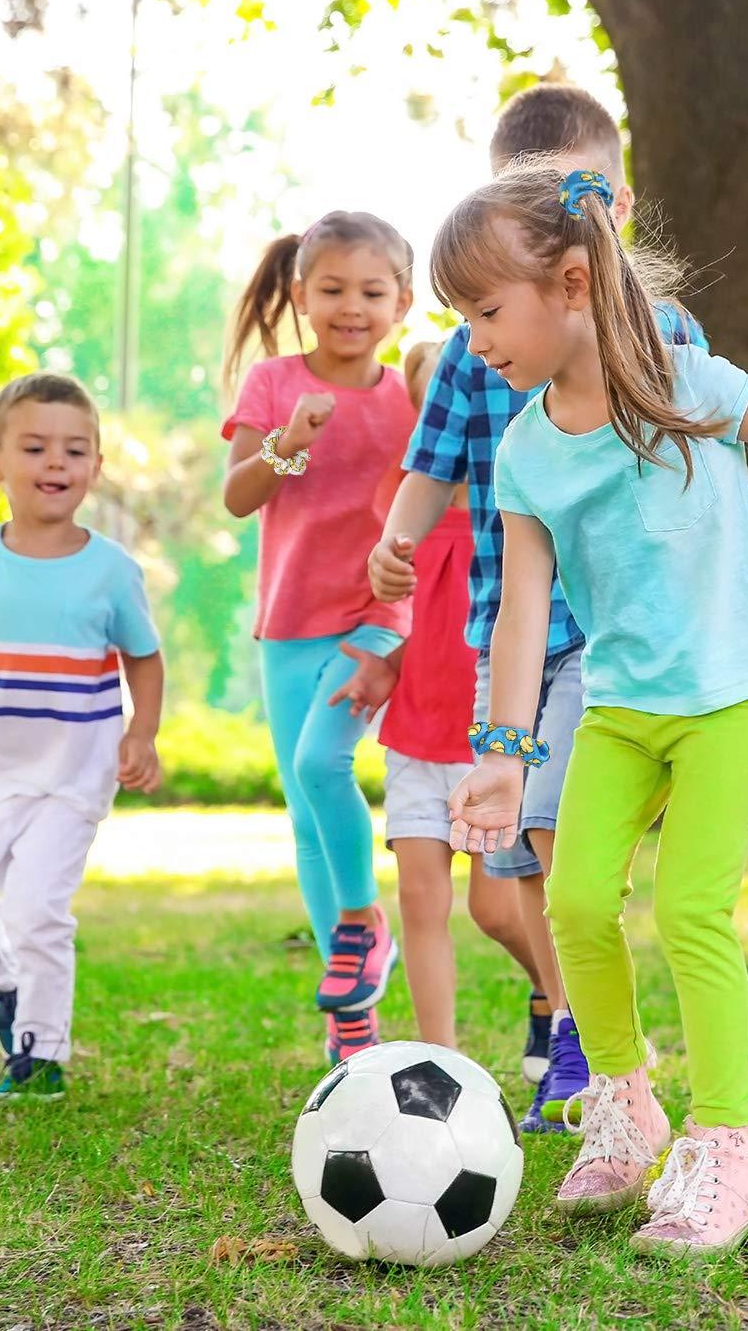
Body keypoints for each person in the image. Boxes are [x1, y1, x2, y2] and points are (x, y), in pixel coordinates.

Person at [436, 161, 748, 1255]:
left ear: (572, 283)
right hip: (619, 706)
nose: (472, 340)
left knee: (691, 912)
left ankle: (728, 1149)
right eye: (462, 318)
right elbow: (522, 613)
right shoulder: (526, 449)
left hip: (727, 697)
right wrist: (502, 754)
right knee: (576, 899)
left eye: (486, 311)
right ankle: (627, 1107)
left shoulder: (694, 385)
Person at [369, 83, 708, 1127]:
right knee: (510, 854)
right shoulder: (476, 347)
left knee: (556, 827)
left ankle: (596, 1053)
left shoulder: (664, 329)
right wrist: (396, 541)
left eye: (583, 199)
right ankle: (569, 1021)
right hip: (508, 634)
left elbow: (709, 468)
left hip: (611, 630)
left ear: (622, 206)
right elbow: (431, 465)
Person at [0, 372, 164, 1101]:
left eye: (74, 451)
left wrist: (142, 733)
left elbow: (143, 658)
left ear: (96, 467)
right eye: (36, 447)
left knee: (37, 911)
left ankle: (39, 1057)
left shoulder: (112, 571)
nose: (56, 463)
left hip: (74, 776)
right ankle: (11, 985)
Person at [221, 211, 418, 1063]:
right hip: (288, 625)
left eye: (372, 292)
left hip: (376, 616)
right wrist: (287, 444)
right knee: (306, 816)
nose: (351, 308)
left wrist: (400, 635)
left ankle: (364, 925)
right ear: (301, 295)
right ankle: (352, 1013)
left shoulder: (409, 397)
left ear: (402, 302)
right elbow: (237, 497)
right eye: (333, 290)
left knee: (319, 763)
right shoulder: (273, 384)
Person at [375, 336, 550, 1053]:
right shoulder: (405, 513)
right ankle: (437, 1057)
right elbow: (393, 614)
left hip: (489, 720)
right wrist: (378, 664)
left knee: (496, 909)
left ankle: (556, 1002)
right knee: (419, 894)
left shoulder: (502, 519)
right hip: (418, 726)